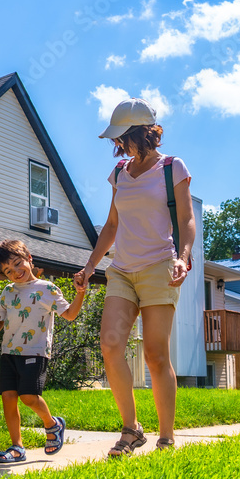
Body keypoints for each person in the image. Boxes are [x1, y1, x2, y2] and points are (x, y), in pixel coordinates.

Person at [74, 97, 195, 457]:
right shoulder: (119, 174)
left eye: (121, 136)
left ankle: (167, 437)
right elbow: (112, 225)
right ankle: (131, 429)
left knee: (157, 354)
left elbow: (187, 220)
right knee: (110, 346)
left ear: (141, 133)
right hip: (122, 270)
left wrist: (183, 259)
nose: (117, 144)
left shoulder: (172, 168)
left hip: (160, 265)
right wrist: (91, 263)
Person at [0, 239, 87, 463]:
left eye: (18, 264)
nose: (16, 272)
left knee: (28, 397)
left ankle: (52, 424)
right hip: (9, 352)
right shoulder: (7, 292)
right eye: (9, 270)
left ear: (29, 259)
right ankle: (16, 447)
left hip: (35, 352)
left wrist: (81, 293)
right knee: (8, 398)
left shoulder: (47, 289)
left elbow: (69, 314)